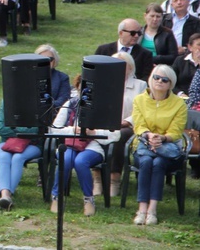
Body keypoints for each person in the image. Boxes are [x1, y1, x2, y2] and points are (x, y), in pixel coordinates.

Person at [49, 76, 119, 217]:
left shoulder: (105, 107)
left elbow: (115, 134)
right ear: (78, 87)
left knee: (81, 162)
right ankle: (56, 197)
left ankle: (89, 199)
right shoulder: (70, 104)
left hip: (93, 146)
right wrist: (73, 130)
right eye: (83, 85)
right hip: (70, 144)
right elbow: (53, 129)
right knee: (66, 160)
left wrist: (93, 132)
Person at [131, 65, 187, 225]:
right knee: (147, 161)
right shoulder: (139, 100)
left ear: (171, 83)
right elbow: (139, 126)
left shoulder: (179, 104)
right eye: (156, 77)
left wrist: (161, 138)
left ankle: (152, 209)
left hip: (168, 149)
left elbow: (176, 131)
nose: (159, 82)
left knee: (158, 162)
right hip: (144, 145)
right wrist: (149, 136)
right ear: (151, 79)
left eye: (164, 80)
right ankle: (142, 209)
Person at [0, 92, 44, 210]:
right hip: (7, 142)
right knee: (4, 156)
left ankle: (6, 197)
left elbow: (36, 130)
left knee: (17, 157)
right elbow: (1, 128)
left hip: (33, 144)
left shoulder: (39, 103)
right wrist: (23, 131)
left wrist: (14, 128)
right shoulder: (7, 101)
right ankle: (5, 195)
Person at [108, 52, 148, 198]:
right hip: (106, 123)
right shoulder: (104, 82)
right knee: (96, 135)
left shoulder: (140, 85)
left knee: (119, 136)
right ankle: (97, 178)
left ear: (130, 67)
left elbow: (143, 109)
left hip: (130, 126)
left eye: (122, 64)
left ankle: (114, 179)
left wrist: (126, 121)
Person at [173, 33, 200, 97]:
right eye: (199, 45)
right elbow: (171, 80)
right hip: (181, 97)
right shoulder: (180, 60)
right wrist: (180, 93)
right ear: (190, 47)